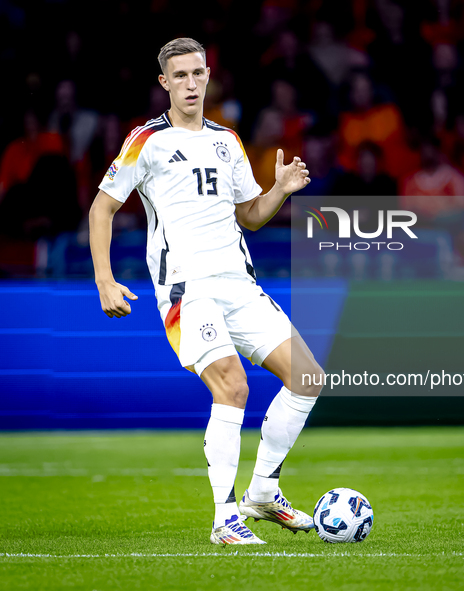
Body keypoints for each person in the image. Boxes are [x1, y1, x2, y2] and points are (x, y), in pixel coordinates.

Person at [89, 38, 324, 545]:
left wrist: (279, 191)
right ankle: (225, 519)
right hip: (186, 289)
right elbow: (101, 209)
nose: (191, 84)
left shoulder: (228, 141)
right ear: (164, 83)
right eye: (180, 76)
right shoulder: (145, 140)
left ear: (208, 75)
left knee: (308, 377)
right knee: (232, 385)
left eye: (198, 73)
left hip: (239, 284)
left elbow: (250, 216)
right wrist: (105, 279)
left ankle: (262, 494)